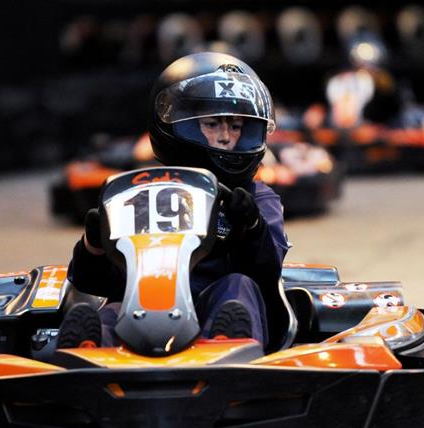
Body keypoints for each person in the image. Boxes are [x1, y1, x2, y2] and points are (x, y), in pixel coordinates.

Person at [57, 52, 288, 352]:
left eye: (235, 127)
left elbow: (269, 275)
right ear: (182, 126)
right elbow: (93, 281)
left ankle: (229, 342)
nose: (225, 138)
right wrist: (93, 245)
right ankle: (90, 348)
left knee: (238, 288)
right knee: (111, 310)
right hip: (144, 309)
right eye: (213, 124)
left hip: (215, 310)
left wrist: (251, 227)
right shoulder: (135, 195)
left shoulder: (259, 200)